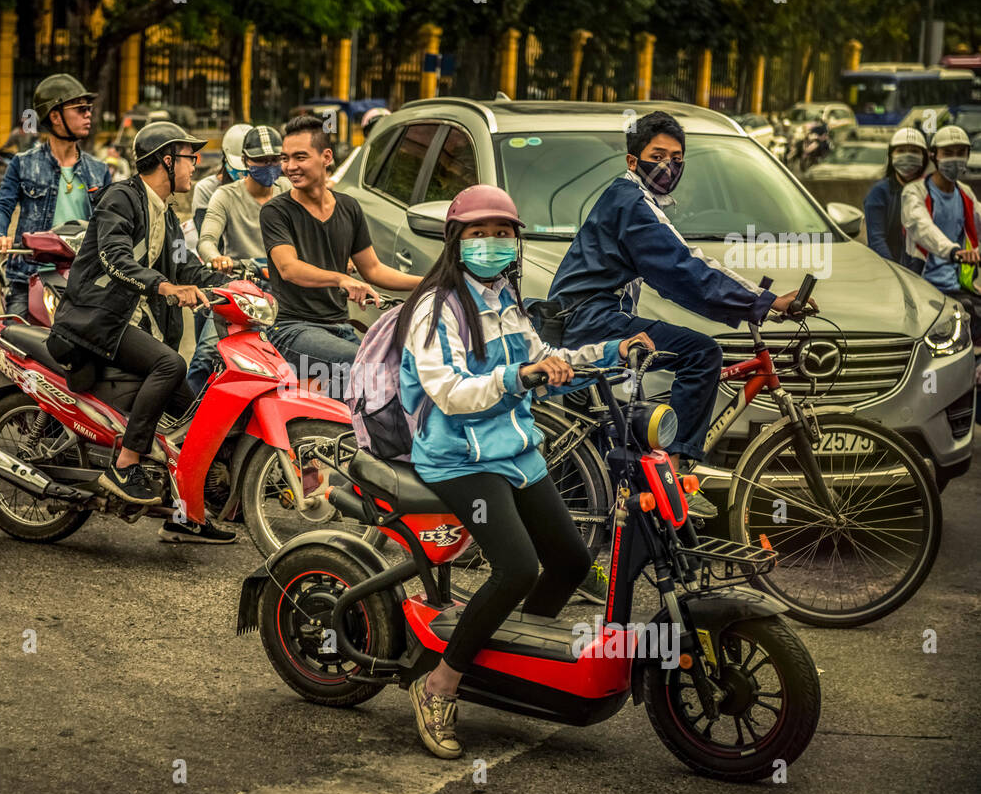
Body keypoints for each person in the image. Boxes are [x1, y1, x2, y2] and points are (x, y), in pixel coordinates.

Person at [395, 185, 654, 759]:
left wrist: (613, 351)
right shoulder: (436, 309)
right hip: (458, 457)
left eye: (503, 233)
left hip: (514, 451)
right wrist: (522, 378)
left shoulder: (505, 300)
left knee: (573, 560)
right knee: (515, 569)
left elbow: (548, 361)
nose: (492, 243)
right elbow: (452, 393)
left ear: (517, 242)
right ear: (456, 242)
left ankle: (511, 653)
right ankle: (439, 684)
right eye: (479, 234)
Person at [547, 110, 811, 519]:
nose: (669, 164)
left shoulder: (635, 201)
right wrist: (763, 302)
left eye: (677, 157)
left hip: (582, 318)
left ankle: (592, 503)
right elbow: (683, 267)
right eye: (658, 154)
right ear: (633, 161)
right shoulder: (632, 203)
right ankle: (675, 471)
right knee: (701, 354)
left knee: (606, 424)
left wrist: (754, 299)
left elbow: (679, 272)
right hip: (591, 320)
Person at [46, 121, 235, 544]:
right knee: (172, 364)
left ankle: (185, 514)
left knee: (190, 410)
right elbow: (113, 258)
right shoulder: (122, 199)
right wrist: (163, 286)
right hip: (99, 321)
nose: (196, 164)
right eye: (189, 157)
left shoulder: (168, 216)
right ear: (167, 160)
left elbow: (186, 267)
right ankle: (125, 465)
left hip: (133, 322)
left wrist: (232, 281)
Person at [260, 114, 420, 400]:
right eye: (285, 159)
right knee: (369, 367)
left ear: (326, 157)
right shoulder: (276, 212)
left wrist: (430, 282)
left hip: (340, 327)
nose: (290, 167)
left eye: (300, 157)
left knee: (404, 367)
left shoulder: (349, 208)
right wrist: (341, 279)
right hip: (292, 329)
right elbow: (288, 268)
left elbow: (373, 270)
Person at [0, 75, 112, 316]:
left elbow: (111, 223)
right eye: (81, 109)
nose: (89, 115)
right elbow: (3, 206)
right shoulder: (22, 164)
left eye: (89, 109)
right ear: (55, 116)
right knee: (15, 339)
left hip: (83, 279)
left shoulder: (99, 170)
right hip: (29, 276)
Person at [184, 124, 292, 393]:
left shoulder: (288, 191)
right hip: (239, 289)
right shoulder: (224, 195)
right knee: (207, 353)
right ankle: (185, 415)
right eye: (260, 160)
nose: (268, 166)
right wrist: (217, 258)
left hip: (284, 288)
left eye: (274, 160)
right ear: (246, 161)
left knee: (291, 353)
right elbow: (206, 239)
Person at [901, 124, 981, 344]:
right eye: (948, 153)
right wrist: (954, 251)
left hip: (959, 285)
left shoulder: (965, 193)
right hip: (925, 286)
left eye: (960, 153)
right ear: (933, 155)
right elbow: (921, 227)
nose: (955, 159)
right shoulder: (915, 191)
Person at [864, 127, 928, 269]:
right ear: (891, 155)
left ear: (924, 157)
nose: (907, 155)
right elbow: (876, 240)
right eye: (901, 151)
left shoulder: (931, 191)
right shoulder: (879, 192)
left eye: (914, 151)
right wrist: (898, 271)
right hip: (891, 270)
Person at [192, 123, 251, 229]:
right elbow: (206, 235)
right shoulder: (206, 190)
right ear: (225, 158)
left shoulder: (268, 189)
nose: (244, 174)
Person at [329, 106, 390, 188]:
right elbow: (336, 179)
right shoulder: (363, 151)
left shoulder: (399, 152)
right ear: (366, 133)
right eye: (375, 129)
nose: (380, 134)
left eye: (384, 129)